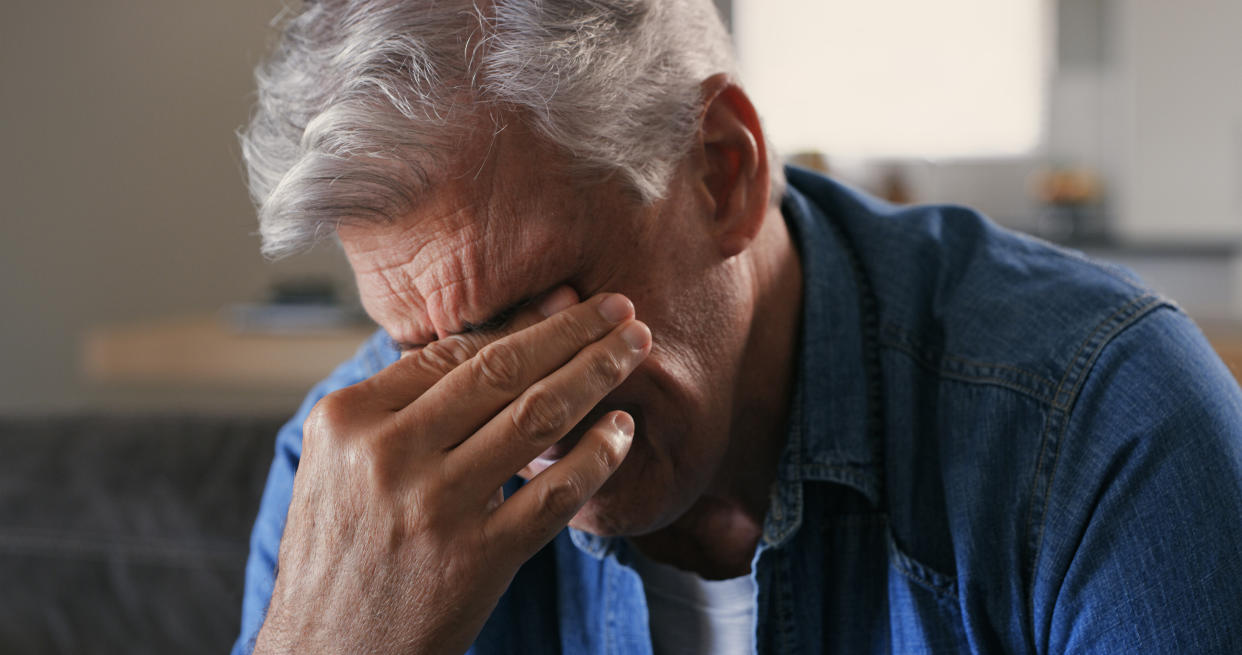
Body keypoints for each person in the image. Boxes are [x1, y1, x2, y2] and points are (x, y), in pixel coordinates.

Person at [232, 1, 1242, 653]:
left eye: (535, 310)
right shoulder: (353, 471)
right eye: (424, 348)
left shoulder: (1109, 424)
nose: (515, 425)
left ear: (724, 170)